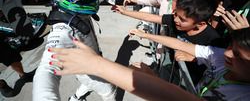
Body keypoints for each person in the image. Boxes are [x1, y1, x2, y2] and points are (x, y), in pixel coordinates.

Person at [49, 27, 250, 101]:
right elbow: (179, 44)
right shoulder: (221, 58)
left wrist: (98, 65)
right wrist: (146, 35)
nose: (229, 53)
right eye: (231, 46)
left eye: (240, 56)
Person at [32, 0, 116, 101]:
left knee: (88, 82)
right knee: (109, 90)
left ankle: (76, 98)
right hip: (87, 68)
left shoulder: (76, 9)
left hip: (91, 60)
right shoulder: (62, 29)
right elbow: (46, 69)